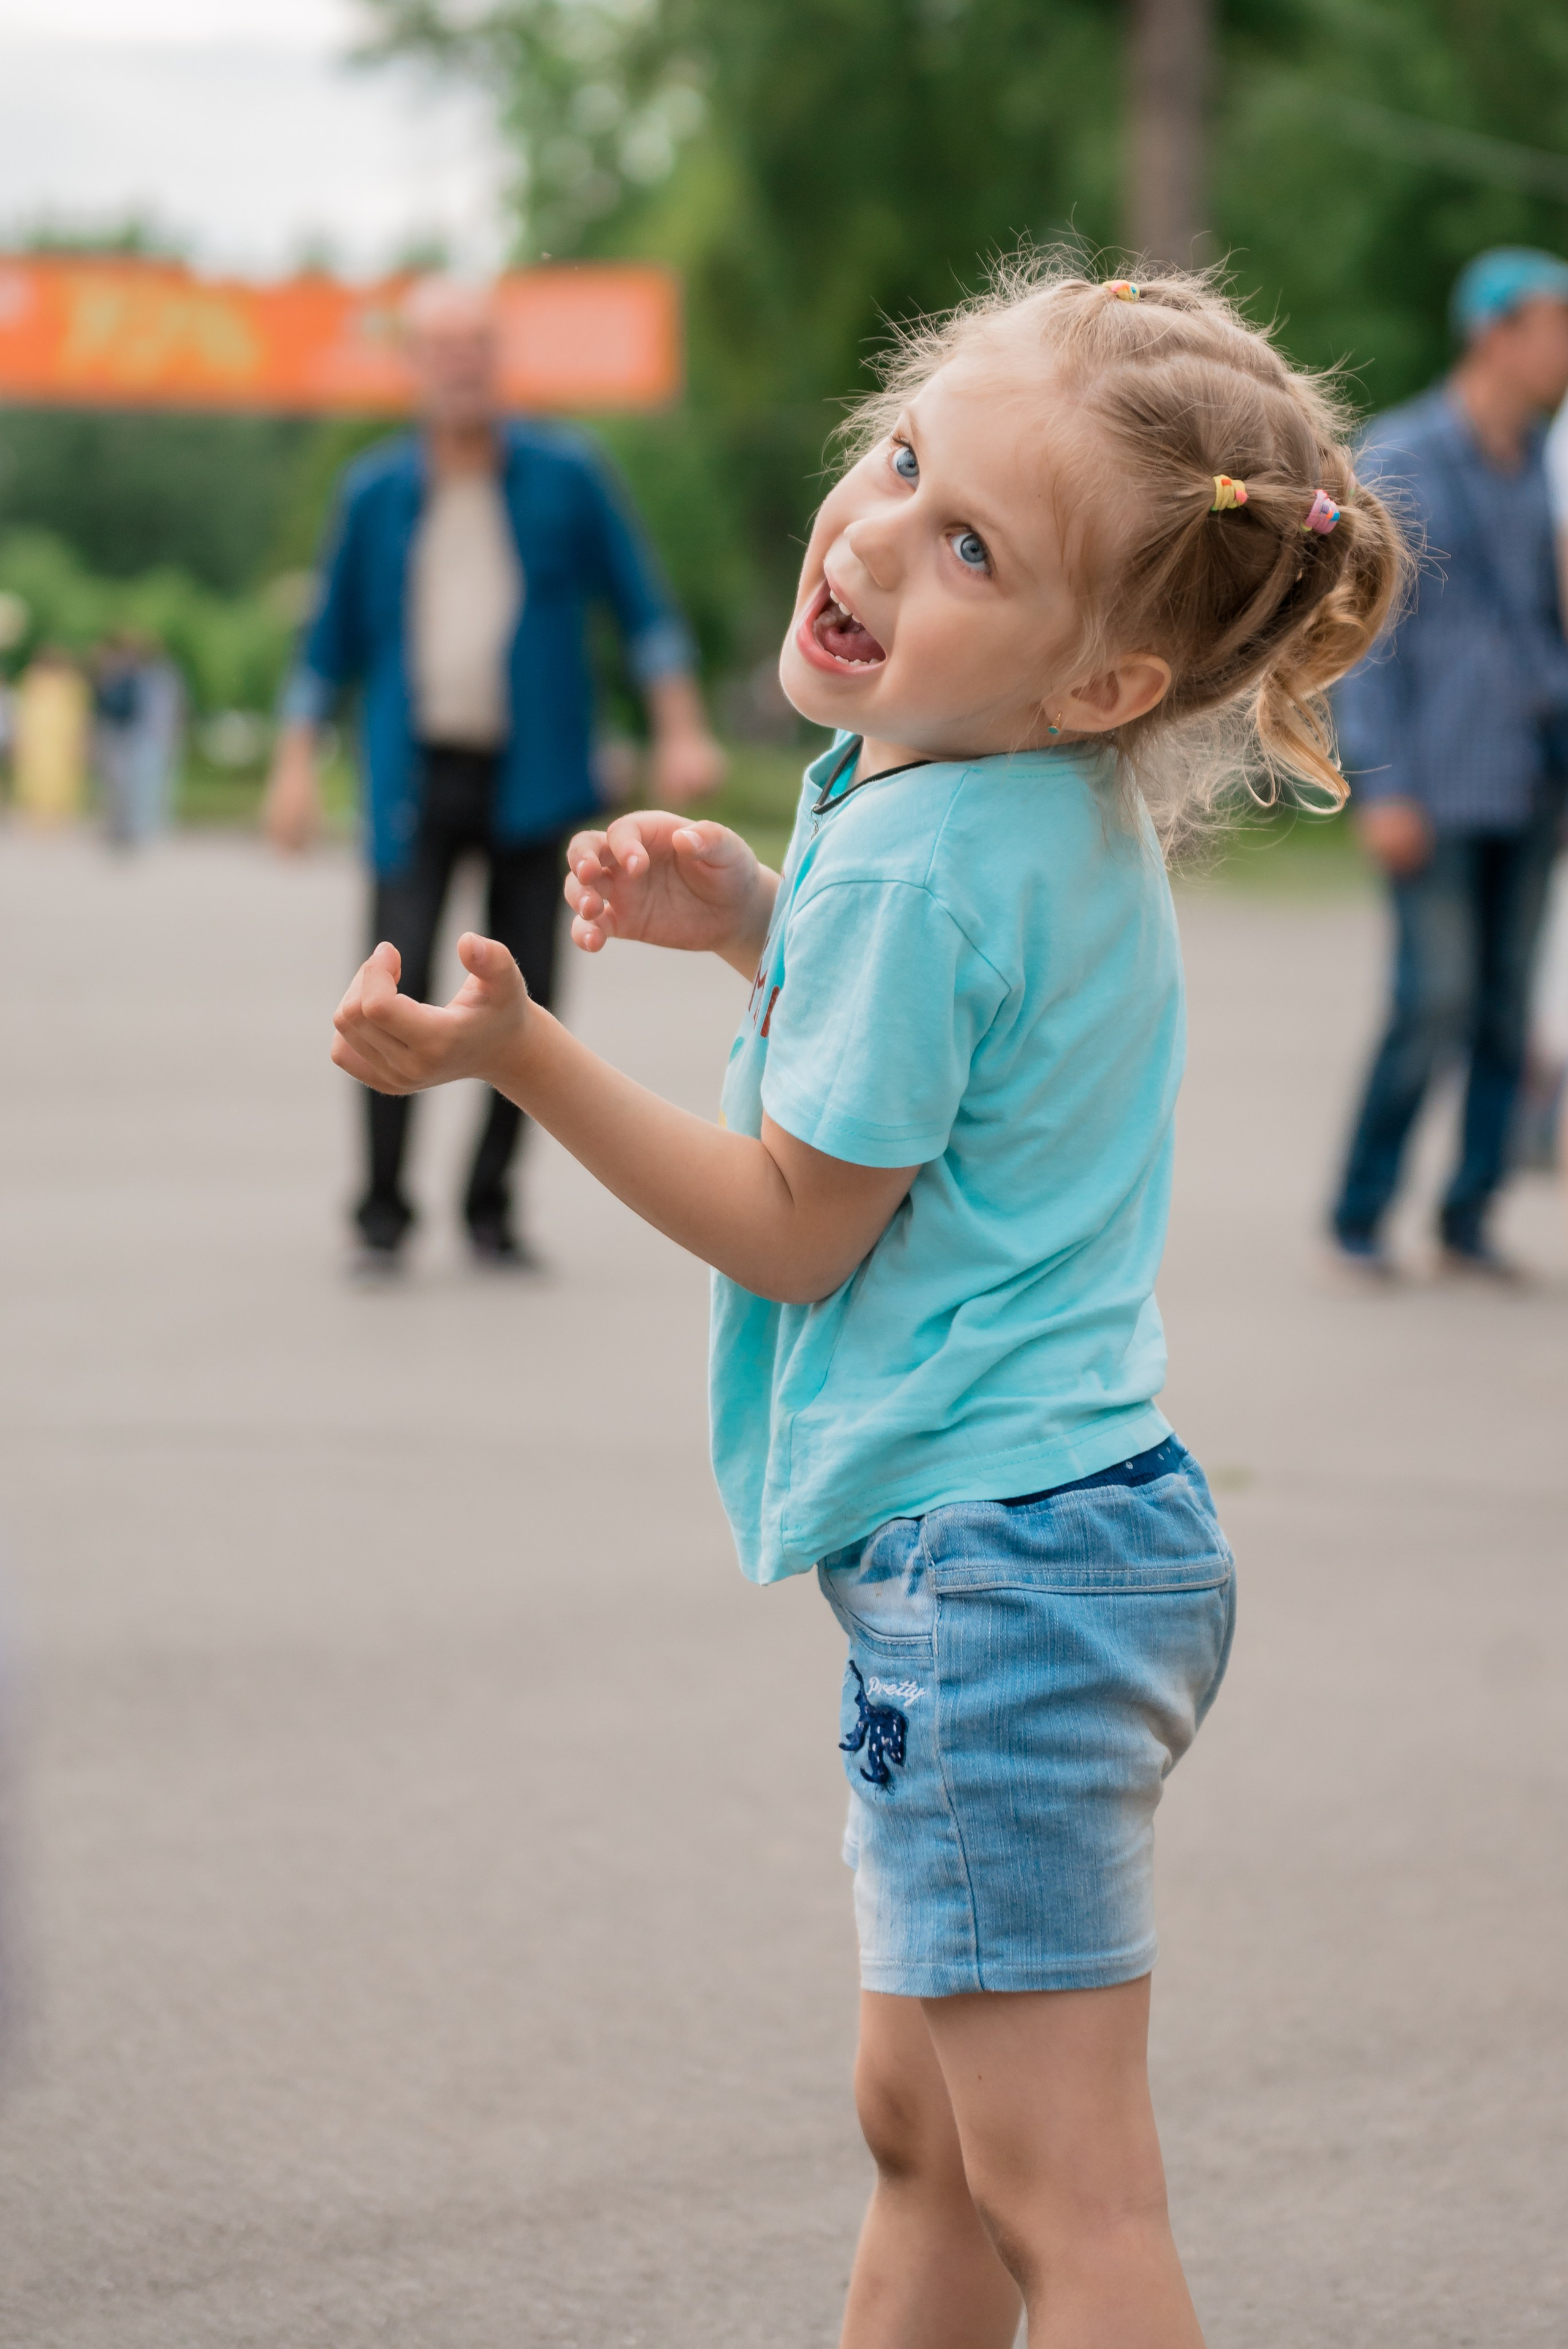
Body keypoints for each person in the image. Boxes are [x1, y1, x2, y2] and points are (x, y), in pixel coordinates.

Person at [329, 262, 1404, 2346]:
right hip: (1076, 1533)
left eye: (976, 542)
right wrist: (757, 918)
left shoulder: (930, 853)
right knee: (923, 2129)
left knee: (1064, 2198)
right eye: (904, 464)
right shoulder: (1015, 804)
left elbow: (801, 1222)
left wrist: (527, 1058)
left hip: (996, 1569)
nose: (882, 530)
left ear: (1101, 678)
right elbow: (946, 1084)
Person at [265, 276, 723, 1274]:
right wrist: (295, 763)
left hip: (542, 777)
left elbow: (643, 609)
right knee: (391, 986)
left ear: (499, 358)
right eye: (442, 345)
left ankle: (490, 1207)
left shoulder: (569, 472)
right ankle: (383, 1210)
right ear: (414, 365)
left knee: (529, 1000)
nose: (461, 362)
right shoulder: (376, 492)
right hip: (412, 778)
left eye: (478, 342)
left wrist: (679, 725)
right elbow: (326, 644)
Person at [1330, 247, 1568, 1280]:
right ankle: (1360, 1212)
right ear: (1495, 332)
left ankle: (1469, 1215)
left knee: (1508, 1008)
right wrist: (1377, 778)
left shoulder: (1542, 466)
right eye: (1554, 325)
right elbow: (1361, 631)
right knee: (1434, 995)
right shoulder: (1402, 455)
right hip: (1431, 780)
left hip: (1529, 775)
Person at [94, 628, 185, 849]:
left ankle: (143, 828)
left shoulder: (153, 676)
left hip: (145, 736)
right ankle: (133, 828)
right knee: (133, 785)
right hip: (135, 736)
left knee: (146, 785)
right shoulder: (133, 675)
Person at [12, 646, 90, 824]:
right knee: (36, 775)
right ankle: (38, 815)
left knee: (60, 776)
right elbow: (22, 712)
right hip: (39, 737)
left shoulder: (72, 683)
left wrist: (80, 739)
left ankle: (57, 816)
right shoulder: (31, 680)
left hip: (60, 738)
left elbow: (80, 715)